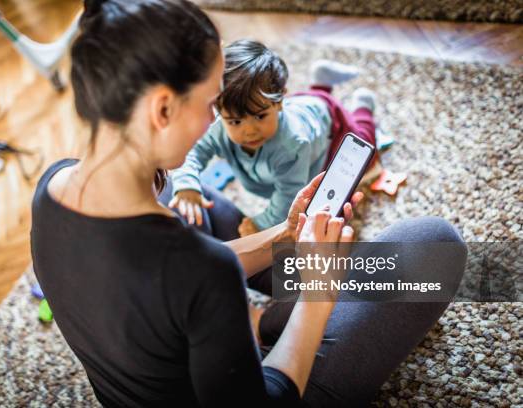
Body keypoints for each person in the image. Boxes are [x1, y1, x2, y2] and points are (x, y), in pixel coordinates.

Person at [30, 0, 467, 406]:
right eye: (209, 104)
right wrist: (319, 291)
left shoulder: (51, 188)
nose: (213, 120)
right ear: (162, 109)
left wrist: (285, 232)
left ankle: (268, 323)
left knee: (201, 201)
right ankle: (274, 326)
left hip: (175, 347)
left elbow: (174, 288)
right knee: (435, 247)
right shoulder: (203, 272)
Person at [168, 39, 378, 238]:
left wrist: (261, 223)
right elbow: (191, 151)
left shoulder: (293, 146)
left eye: (259, 116)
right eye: (235, 122)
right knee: (306, 100)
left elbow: (289, 196)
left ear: (280, 101)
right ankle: (320, 82)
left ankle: (363, 106)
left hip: (329, 121)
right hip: (297, 106)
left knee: (364, 150)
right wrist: (186, 184)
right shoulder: (220, 126)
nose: (250, 131)